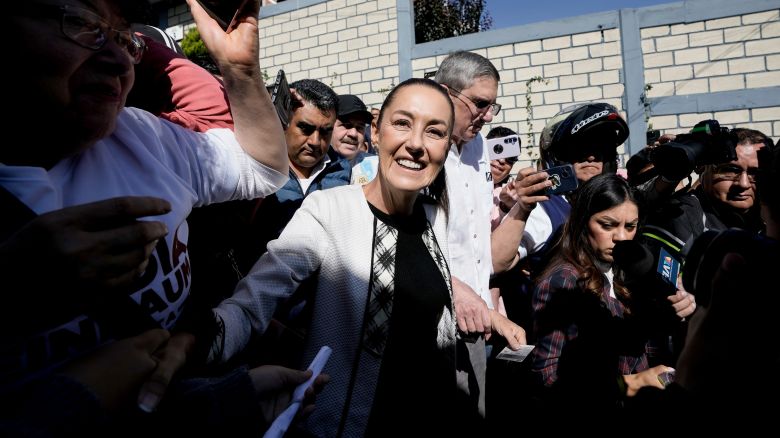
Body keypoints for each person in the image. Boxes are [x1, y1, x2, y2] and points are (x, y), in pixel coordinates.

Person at [0, 0, 320, 430]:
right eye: (80, 23)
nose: (117, 60)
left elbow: (262, 169)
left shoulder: (139, 136)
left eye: (123, 38)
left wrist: (240, 72)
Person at [202, 78, 526, 437]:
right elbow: (253, 302)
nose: (415, 144)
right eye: (402, 123)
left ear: (448, 145)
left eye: (434, 132)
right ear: (376, 130)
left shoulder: (438, 217)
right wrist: (197, 343)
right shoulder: (330, 209)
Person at [530, 174, 691, 412]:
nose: (621, 237)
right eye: (607, 225)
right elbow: (547, 378)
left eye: (630, 226)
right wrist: (631, 384)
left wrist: (678, 309)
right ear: (582, 221)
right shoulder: (563, 281)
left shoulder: (631, 268)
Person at [646, 128, 772, 248]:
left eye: (754, 173)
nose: (744, 184)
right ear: (701, 167)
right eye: (730, 171)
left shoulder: (770, 217)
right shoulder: (678, 216)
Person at [330, 94, 373, 160]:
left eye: (359, 128)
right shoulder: (311, 167)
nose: (354, 134)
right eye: (347, 125)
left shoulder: (377, 167)